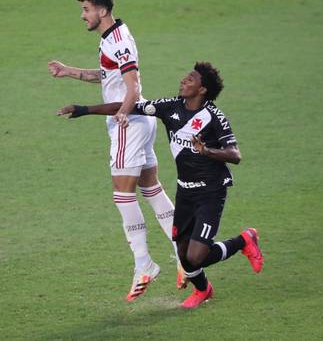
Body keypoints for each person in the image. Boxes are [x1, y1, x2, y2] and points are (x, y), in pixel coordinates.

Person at [57, 61, 264, 309]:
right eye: (185, 77)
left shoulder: (214, 117)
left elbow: (235, 154)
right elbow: (128, 106)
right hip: (185, 191)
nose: (184, 81)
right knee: (185, 257)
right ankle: (204, 290)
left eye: (191, 79)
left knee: (196, 257)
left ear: (203, 90)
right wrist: (84, 109)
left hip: (210, 192)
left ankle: (244, 240)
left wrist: (206, 150)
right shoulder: (170, 107)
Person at [48, 0, 181, 302]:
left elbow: (132, 87)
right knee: (151, 189)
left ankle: (143, 262)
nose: (82, 16)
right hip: (141, 121)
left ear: (101, 11)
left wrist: (121, 113)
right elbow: (109, 77)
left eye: (85, 10)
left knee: (123, 195)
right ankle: (183, 254)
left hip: (129, 124)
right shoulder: (113, 37)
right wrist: (70, 72)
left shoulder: (119, 42)